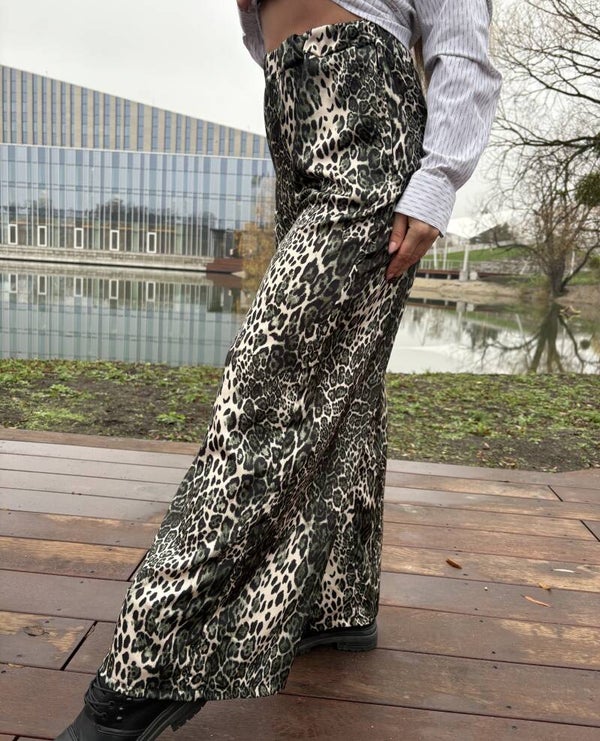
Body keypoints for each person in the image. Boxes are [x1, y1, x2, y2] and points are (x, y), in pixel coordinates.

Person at [56, 1, 502, 739]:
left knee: (264, 393)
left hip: (366, 128)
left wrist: (439, 178)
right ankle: (337, 602)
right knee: (347, 380)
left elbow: (461, 38)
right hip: (297, 111)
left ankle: (150, 660)